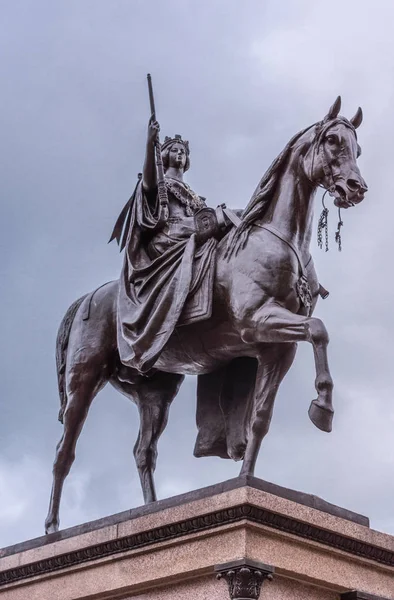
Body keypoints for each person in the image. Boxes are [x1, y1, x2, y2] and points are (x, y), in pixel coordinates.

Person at [111, 119, 221, 374]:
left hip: (190, 229)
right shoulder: (159, 182)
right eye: (173, 149)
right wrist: (150, 143)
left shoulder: (192, 193)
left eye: (183, 151)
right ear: (164, 153)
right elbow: (149, 181)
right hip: (170, 236)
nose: (179, 153)